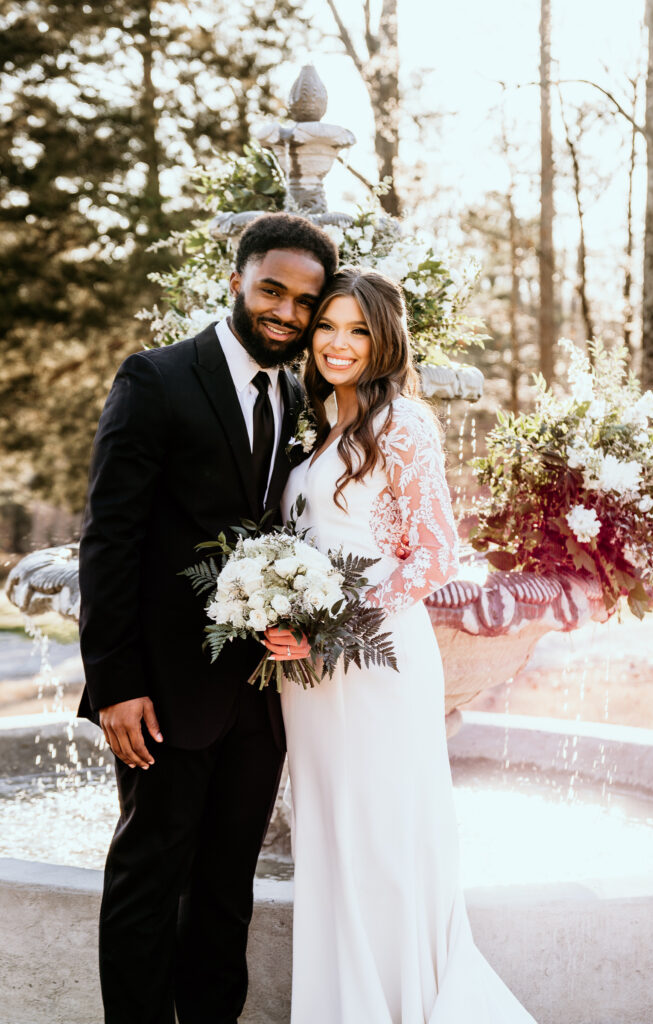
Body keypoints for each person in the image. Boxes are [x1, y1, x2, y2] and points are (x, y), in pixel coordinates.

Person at [77, 212, 338, 1024]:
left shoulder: (299, 396)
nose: (288, 314)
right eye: (272, 290)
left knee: (227, 893)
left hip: (258, 700)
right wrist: (115, 683)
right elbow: (109, 537)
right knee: (149, 884)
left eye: (305, 301)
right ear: (236, 281)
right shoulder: (155, 378)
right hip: (160, 694)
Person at [280, 266, 538, 1023]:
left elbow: (434, 554)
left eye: (357, 329)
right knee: (329, 837)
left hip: (374, 658)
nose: (337, 342)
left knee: (383, 836)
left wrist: (332, 622)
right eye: (326, 325)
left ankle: (396, 1004)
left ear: (384, 339)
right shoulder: (317, 421)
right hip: (309, 670)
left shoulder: (404, 424)